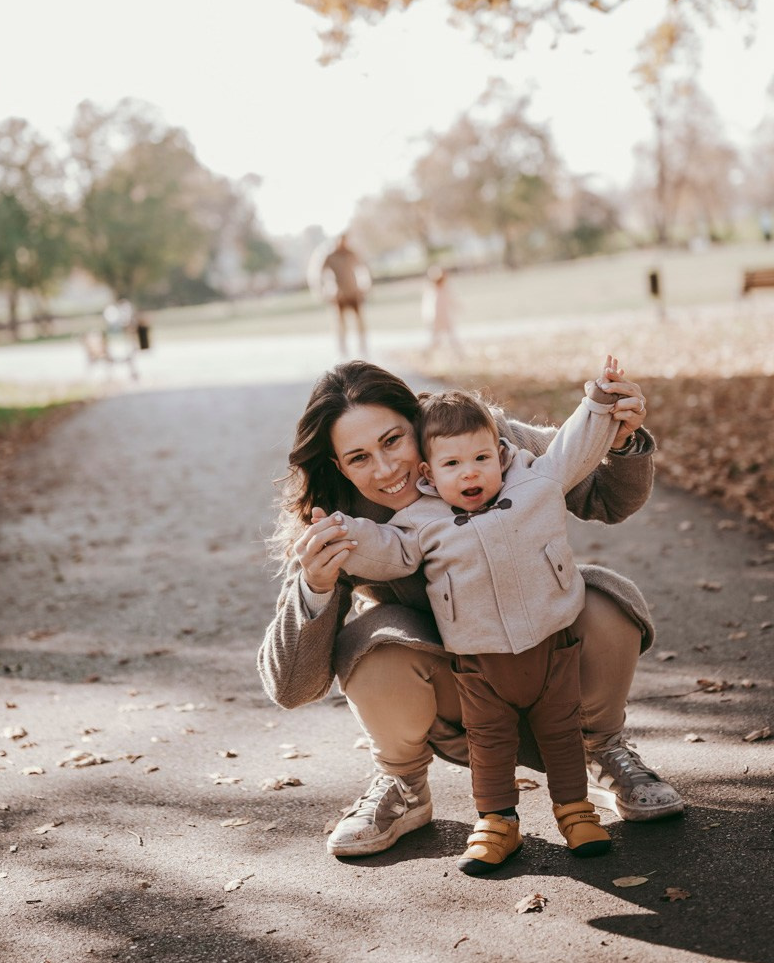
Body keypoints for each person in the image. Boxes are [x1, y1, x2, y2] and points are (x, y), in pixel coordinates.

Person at [257, 360, 684, 862]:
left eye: (393, 440)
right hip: (456, 689)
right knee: (374, 643)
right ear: (338, 467)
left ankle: (603, 746)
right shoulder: (337, 518)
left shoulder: (480, 438)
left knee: (603, 600)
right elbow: (292, 686)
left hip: (548, 657)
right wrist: (316, 584)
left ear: (418, 421)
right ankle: (403, 783)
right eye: (359, 458)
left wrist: (619, 439)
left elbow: (605, 497)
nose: (386, 469)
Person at [335, 364, 626, 873]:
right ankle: (497, 823)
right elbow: (387, 551)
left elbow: (575, 447)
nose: (470, 473)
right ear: (429, 473)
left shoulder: (535, 479)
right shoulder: (420, 520)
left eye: (481, 459)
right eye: (452, 464)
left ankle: (576, 813)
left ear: (502, 455)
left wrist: (600, 402)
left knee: (561, 732)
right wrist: (340, 533)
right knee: (488, 743)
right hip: (478, 663)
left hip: (550, 649)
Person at [309, 232, 371, 357]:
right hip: (338, 294)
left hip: (353, 292)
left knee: (360, 321)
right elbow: (317, 274)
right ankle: (343, 350)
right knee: (340, 323)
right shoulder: (329, 256)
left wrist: (365, 285)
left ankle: (363, 348)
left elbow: (364, 268)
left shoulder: (351, 253)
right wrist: (321, 291)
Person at [421, 265, 463, 359]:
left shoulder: (445, 289)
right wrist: (429, 319)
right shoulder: (431, 291)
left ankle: (459, 355)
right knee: (436, 340)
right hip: (436, 319)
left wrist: (457, 307)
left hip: (445, 318)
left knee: (452, 337)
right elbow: (428, 307)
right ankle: (426, 353)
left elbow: (451, 300)